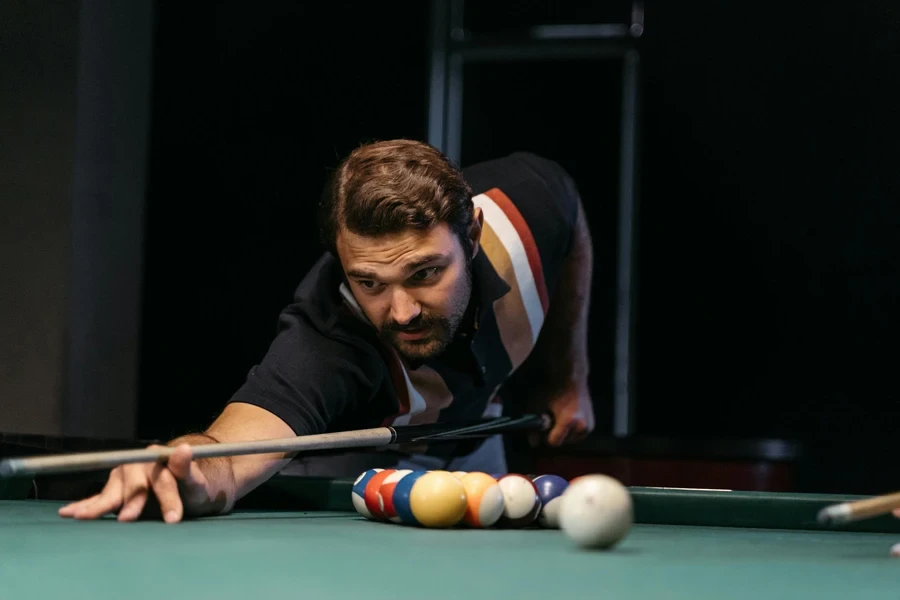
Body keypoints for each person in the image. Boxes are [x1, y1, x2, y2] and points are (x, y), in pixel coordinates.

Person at [59, 139, 595, 523]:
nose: (402, 311)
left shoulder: (532, 206)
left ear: (471, 237)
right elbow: (227, 453)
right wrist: (187, 471)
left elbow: (573, 223)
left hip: (472, 435)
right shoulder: (328, 339)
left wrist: (570, 378)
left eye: (426, 273)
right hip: (356, 471)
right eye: (370, 281)